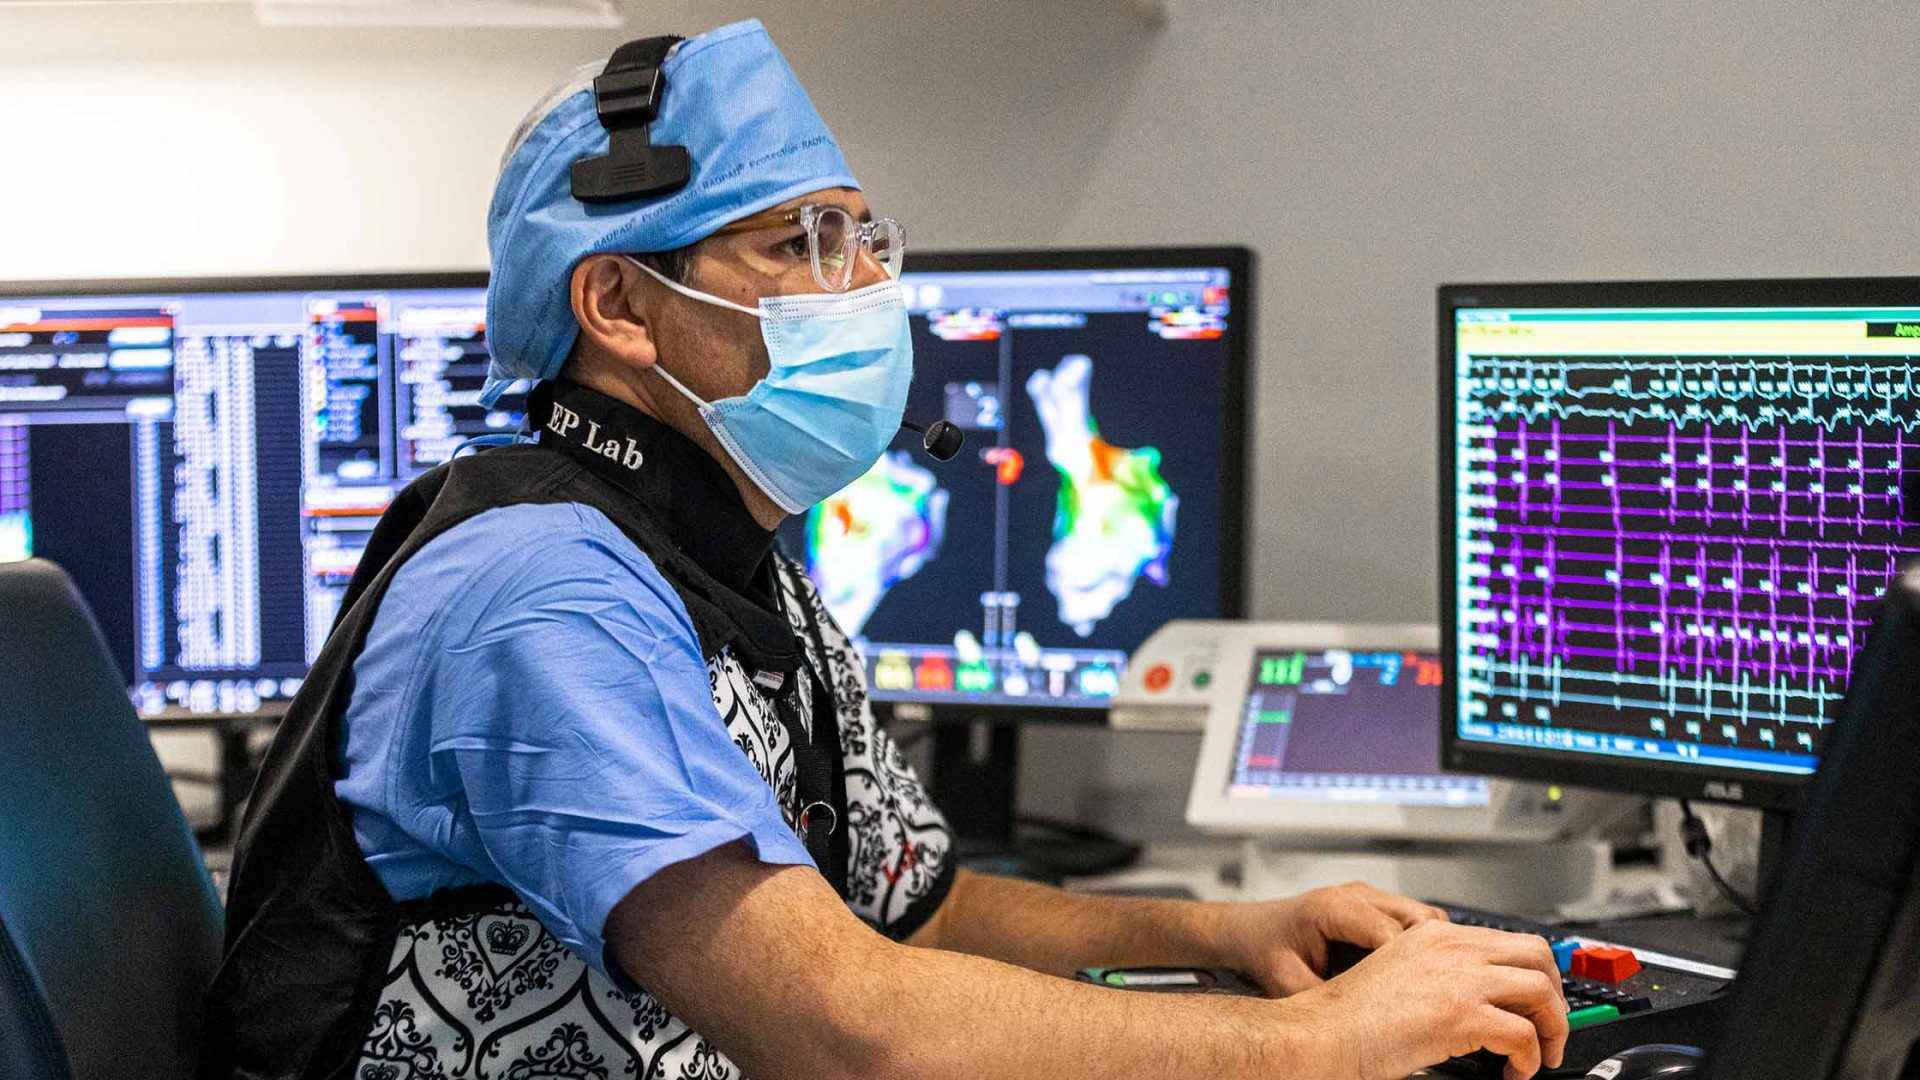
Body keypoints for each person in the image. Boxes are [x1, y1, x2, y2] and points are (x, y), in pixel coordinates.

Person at [202, 19, 1568, 1080]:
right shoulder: (536, 593)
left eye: (865, 236)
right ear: (619, 303)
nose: (864, 288)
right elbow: (844, 1027)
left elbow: (909, 911)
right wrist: (1310, 1048)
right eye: (803, 243)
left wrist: (1223, 937)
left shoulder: (731, 556)